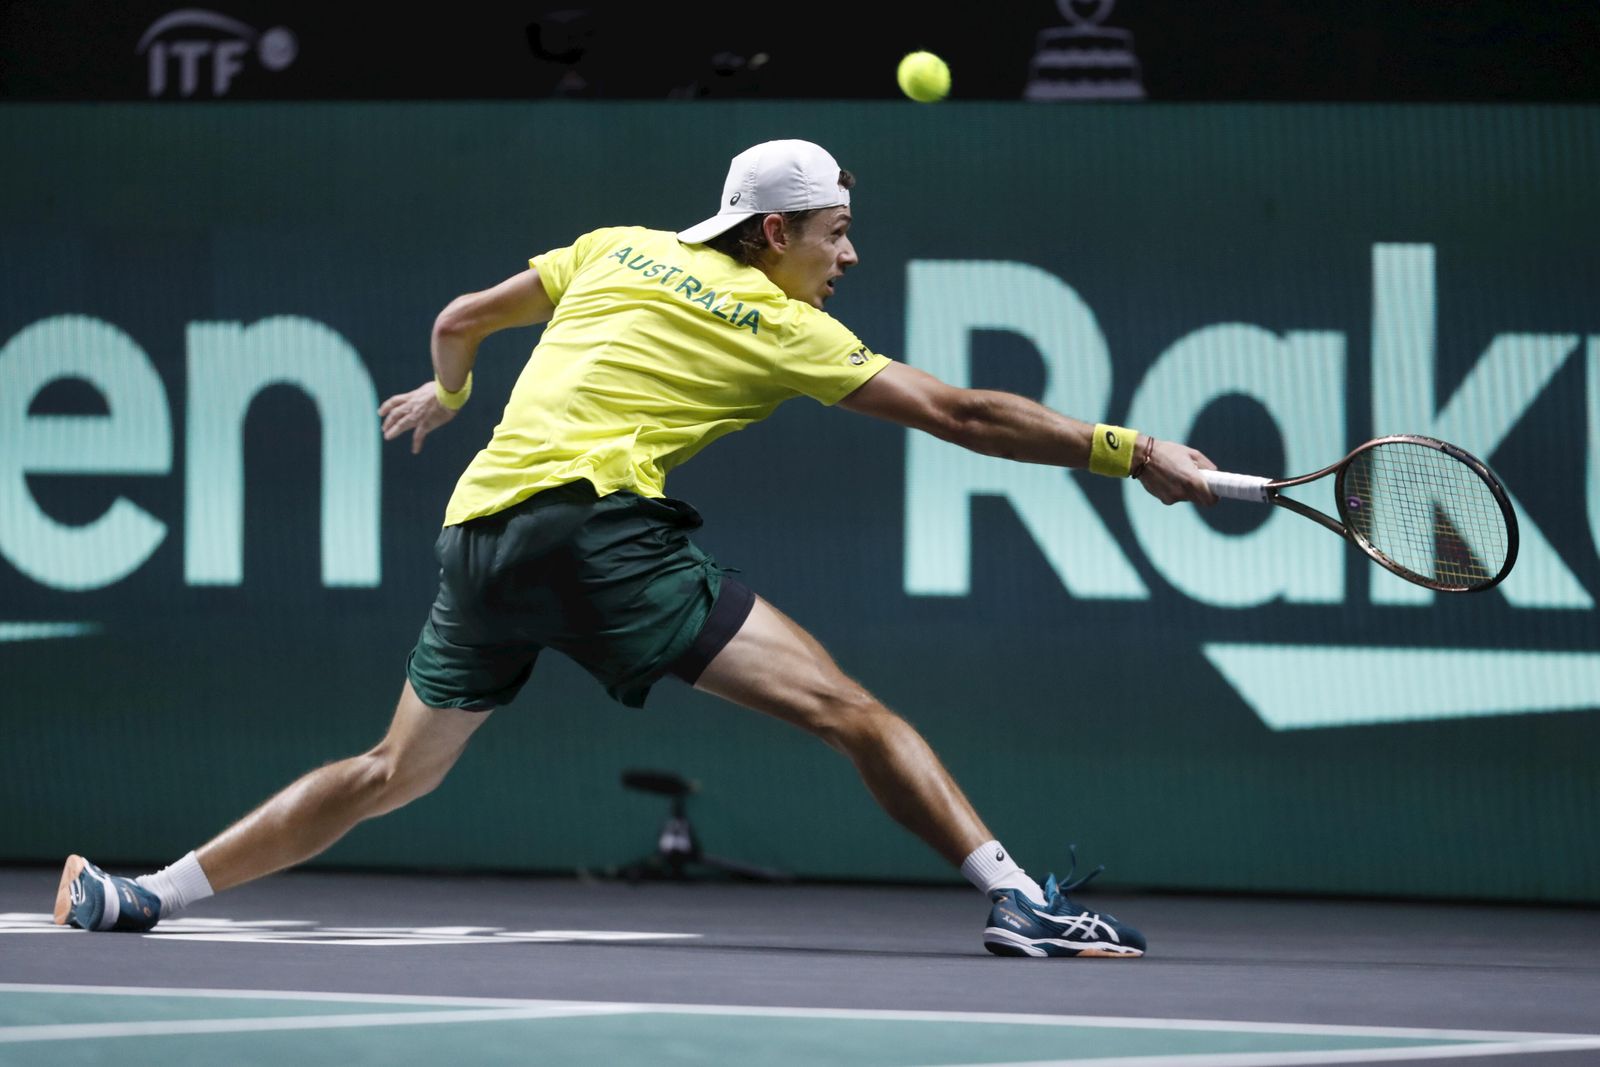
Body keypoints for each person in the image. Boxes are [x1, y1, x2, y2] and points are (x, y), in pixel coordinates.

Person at [55, 139, 1217, 958]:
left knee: (389, 773)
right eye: (835, 234)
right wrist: (1134, 448)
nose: (847, 259)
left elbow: (460, 318)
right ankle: (1020, 902)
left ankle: (140, 893)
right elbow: (962, 415)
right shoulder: (781, 321)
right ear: (774, 232)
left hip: (480, 537)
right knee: (852, 712)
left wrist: (448, 395)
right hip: (593, 528)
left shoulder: (614, 248)